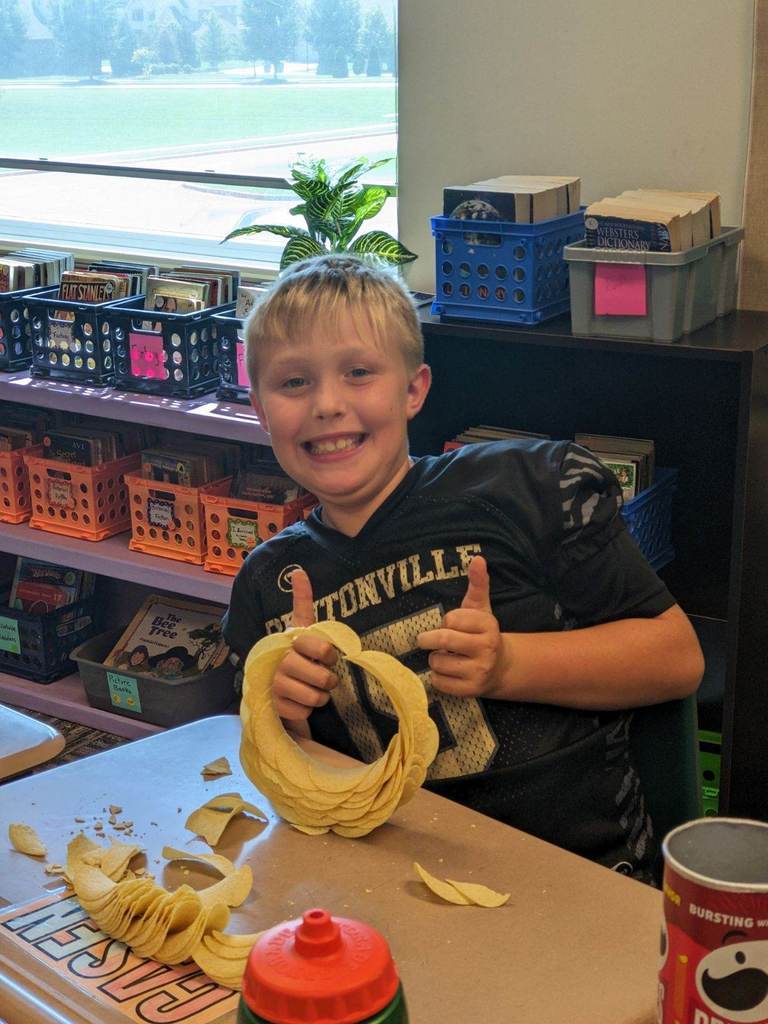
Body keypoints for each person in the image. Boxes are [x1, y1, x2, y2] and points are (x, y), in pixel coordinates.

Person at [223, 253, 704, 883]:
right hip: (384, 882)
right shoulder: (268, 584)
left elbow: (677, 659)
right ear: (260, 409)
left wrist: (507, 664)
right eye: (294, 383)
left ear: (413, 389)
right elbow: (290, 770)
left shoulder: (529, 491)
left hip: (577, 879)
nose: (327, 404)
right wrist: (287, 717)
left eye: (358, 372)